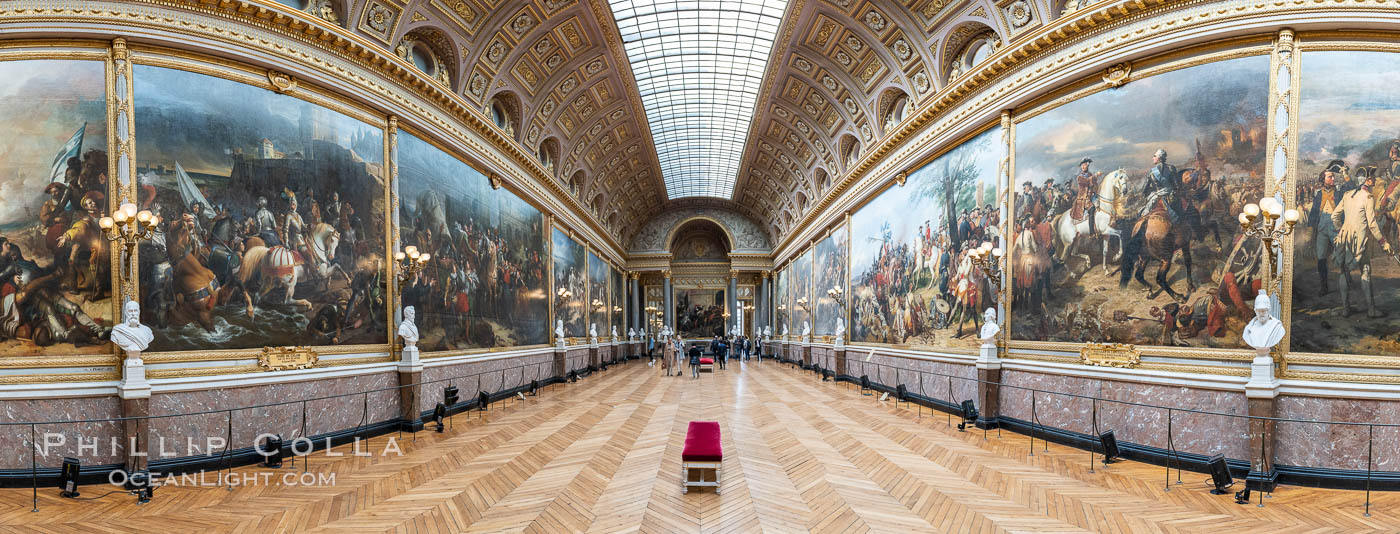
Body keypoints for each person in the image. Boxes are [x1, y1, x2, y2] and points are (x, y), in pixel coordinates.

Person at [1331, 169, 1391, 317]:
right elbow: (1372, 224)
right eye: (1372, 179)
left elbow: (1334, 216)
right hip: (1359, 240)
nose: (1375, 181)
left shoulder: (1347, 195)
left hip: (1344, 237)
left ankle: (1346, 309)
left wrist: (1341, 230)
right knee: (1365, 271)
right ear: (1367, 181)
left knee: (1344, 271)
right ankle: (1371, 310)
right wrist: (1384, 243)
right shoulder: (1368, 197)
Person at [1310, 161, 1344, 295]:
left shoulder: (1340, 192)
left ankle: (1346, 279)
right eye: (1330, 177)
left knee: (1341, 254)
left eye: (1333, 176)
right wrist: (1311, 230)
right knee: (1321, 257)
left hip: (1336, 226)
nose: (1333, 179)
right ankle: (1324, 286)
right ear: (1323, 180)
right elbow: (1313, 212)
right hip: (1322, 227)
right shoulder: (1318, 194)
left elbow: (1351, 186)